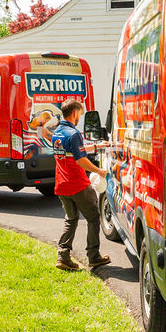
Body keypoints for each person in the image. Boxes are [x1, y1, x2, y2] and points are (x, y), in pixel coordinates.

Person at [45, 100, 110, 271]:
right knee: (94, 218)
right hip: (78, 185)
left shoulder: (58, 132)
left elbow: (74, 150)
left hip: (61, 185)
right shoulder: (74, 133)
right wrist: (99, 171)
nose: (80, 116)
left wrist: (96, 146)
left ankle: (63, 256)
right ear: (74, 113)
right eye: (80, 113)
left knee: (71, 219)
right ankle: (94, 257)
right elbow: (80, 160)